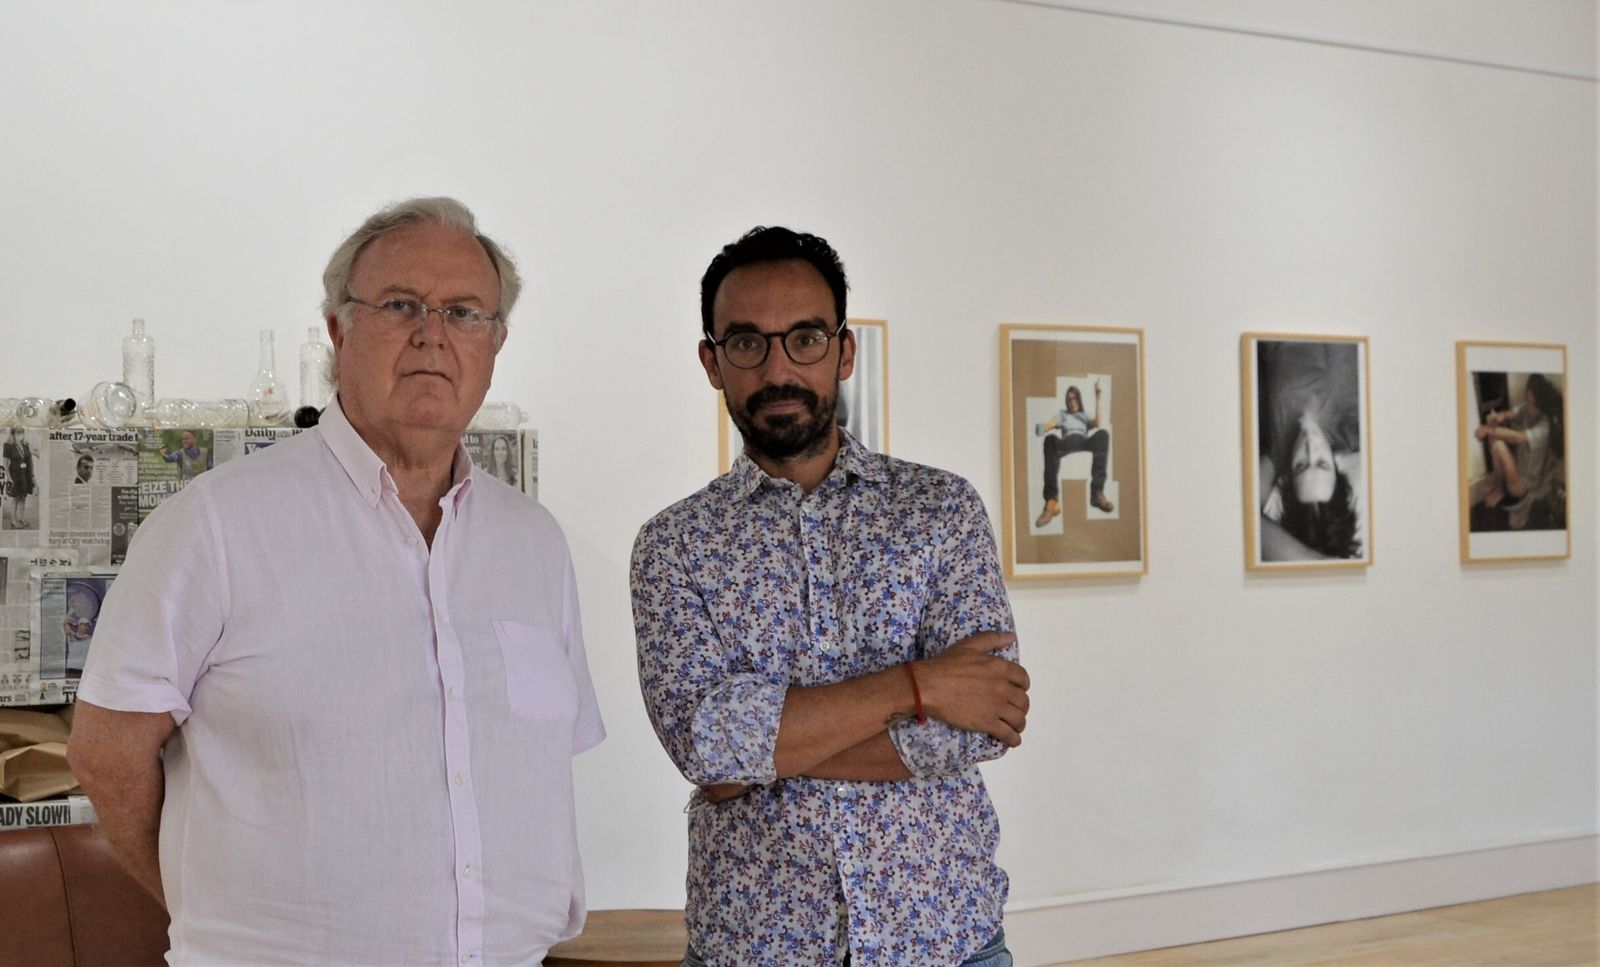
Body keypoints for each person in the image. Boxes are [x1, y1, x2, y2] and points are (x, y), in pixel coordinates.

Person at [68, 197, 605, 966]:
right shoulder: (216, 526)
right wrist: (217, 908)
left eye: (463, 312)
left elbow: (542, 766)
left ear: (496, 342)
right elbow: (104, 752)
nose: (432, 334)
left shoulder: (534, 544)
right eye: (400, 305)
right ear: (336, 329)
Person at [632, 226, 1028, 967]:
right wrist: (919, 685)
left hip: (945, 937)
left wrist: (766, 745)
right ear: (711, 362)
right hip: (753, 947)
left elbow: (981, 725)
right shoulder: (673, 546)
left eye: (805, 338)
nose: (779, 367)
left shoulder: (940, 510)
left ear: (844, 350)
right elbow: (707, 751)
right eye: (747, 343)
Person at [1255, 340, 1365, 561]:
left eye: (1301, 466)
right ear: (1336, 466)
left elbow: (1239, 511)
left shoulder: (1279, 453)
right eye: (1322, 463)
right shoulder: (1354, 428)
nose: (1310, 447)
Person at [1473, 372, 1565, 531]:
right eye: (1527, 401)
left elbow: (1517, 438)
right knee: (1497, 437)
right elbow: (1512, 412)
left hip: (1524, 484)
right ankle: (1499, 487)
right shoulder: (1528, 407)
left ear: (1541, 405)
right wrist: (1499, 417)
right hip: (1520, 466)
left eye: (1532, 404)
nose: (1528, 407)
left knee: (1499, 446)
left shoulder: (1544, 426)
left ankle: (1502, 490)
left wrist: (1488, 430)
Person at [1033, 381, 1113, 526]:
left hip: (1083, 440)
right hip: (1067, 441)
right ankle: (1051, 502)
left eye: (1075, 398)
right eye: (1070, 399)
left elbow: (1098, 423)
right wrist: (1044, 427)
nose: (1073, 402)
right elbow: (1048, 426)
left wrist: (1098, 397)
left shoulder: (1084, 415)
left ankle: (1097, 493)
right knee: (1050, 439)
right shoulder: (1063, 414)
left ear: (1079, 399)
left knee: (1103, 435)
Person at [3, 428, 36, 528]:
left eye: (22, 432)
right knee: (15, 498)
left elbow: (30, 461)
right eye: (18, 432)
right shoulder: (8, 445)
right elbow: (5, 463)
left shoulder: (26, 445)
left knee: (23, 497)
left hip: (25, 475)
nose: (21, 434)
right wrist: (9, 478)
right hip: (15, 475)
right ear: (13, 433)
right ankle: (14, 520)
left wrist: (32, 476)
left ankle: (21, 517)